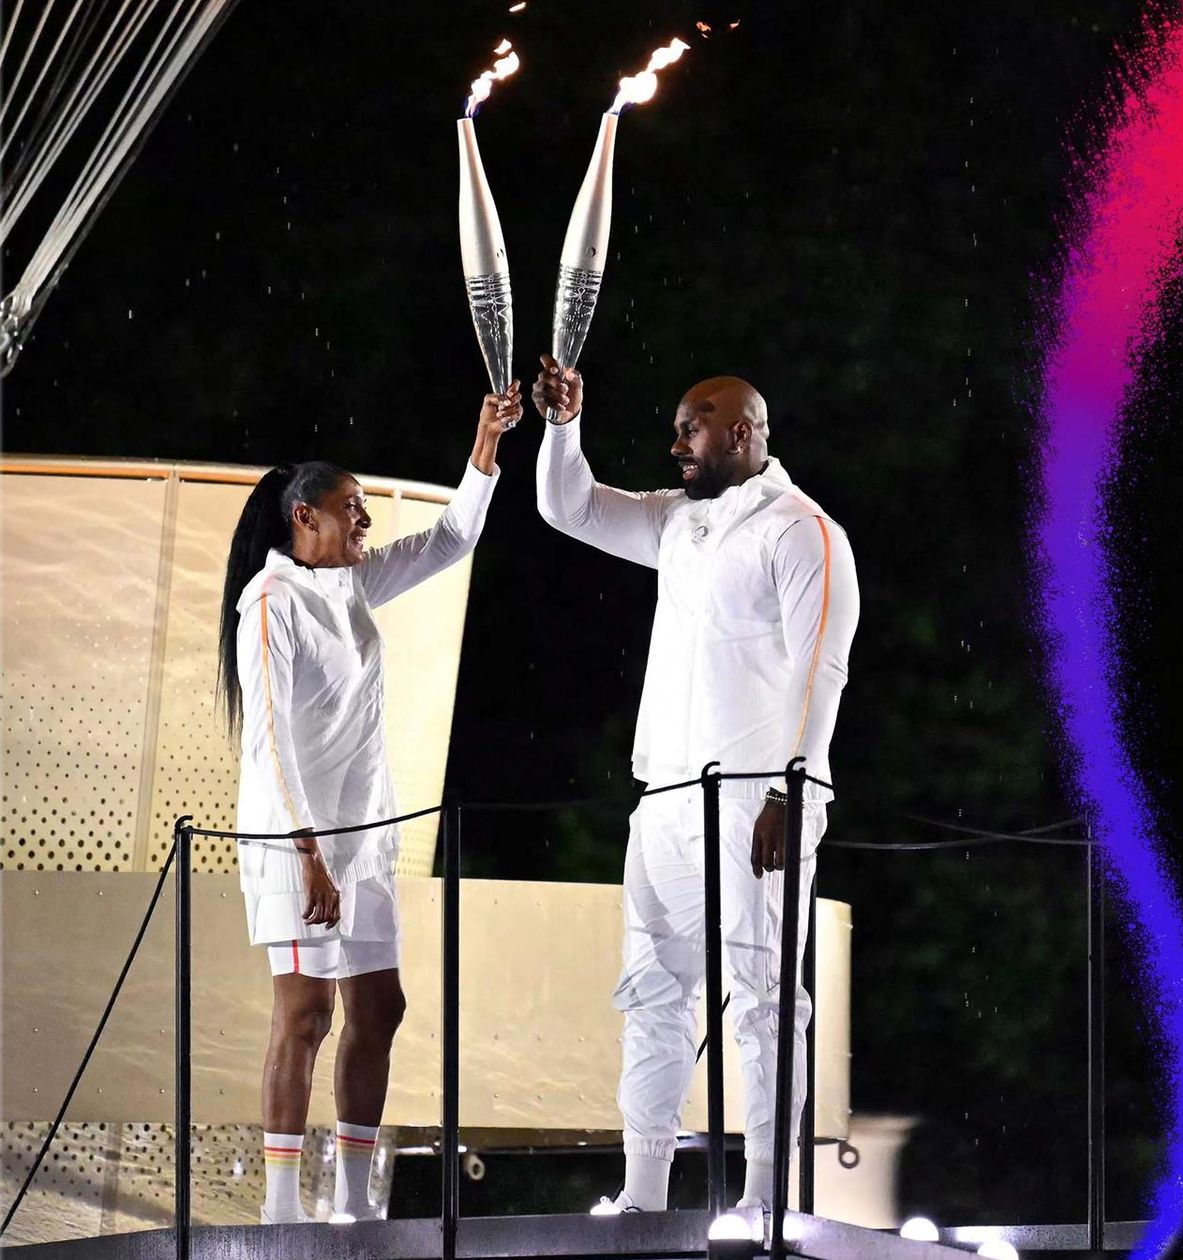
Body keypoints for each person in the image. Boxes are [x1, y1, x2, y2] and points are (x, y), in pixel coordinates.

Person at [532, 356, 859, 1221]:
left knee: (763, 999)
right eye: (677, 427)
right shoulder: (679, 523)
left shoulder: (803, 531)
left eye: (691, 427)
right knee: (652, 993)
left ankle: (764, 1200)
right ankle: (642, 1194)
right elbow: (566, 506)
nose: (674, 442)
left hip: (760, 802)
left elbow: (822, 668)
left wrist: (795, 791)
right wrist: (563, 426)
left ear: (743, 433)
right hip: (666, 799)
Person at [220, 385, 517, 1223]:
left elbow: (454, 537)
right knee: (308, 1012)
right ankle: (282, 1207)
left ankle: (352, 1200)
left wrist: (484, 439)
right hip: (295, 840)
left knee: (379, 1005)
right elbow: (269, 742)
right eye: (350, 509)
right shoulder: (269, 605)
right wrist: (308, 850)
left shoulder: (350, 584)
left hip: (364, 837)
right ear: (301, 519)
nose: (365, 523)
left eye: (363, 511)